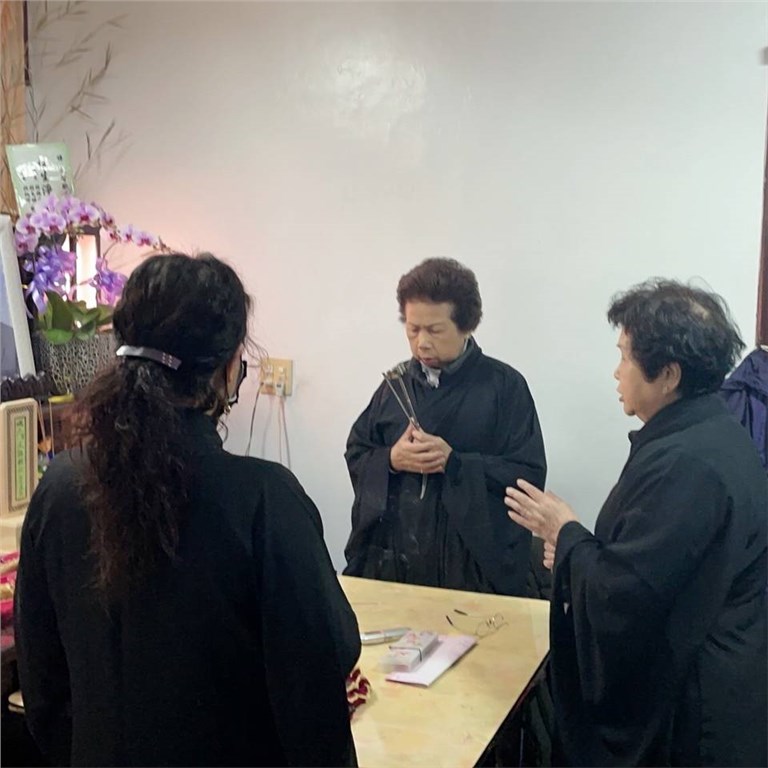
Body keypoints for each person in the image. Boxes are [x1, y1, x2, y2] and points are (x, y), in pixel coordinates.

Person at [15, 253, 360, 767]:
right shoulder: (264, 500)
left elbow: (41, 682)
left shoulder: (60, 487)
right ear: (228, 368)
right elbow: (321, 669)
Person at [506, 279, 767, 767]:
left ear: (667, 375)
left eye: (625, 356)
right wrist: (575, 550)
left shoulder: (688, 463)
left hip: (692, 711)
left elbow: (629, 597)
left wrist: (566, 535)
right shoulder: (706, 433)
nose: (617, 371)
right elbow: (655, 561)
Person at [343, 257, 546, 596]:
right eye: (413, 329)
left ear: (467, 326)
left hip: (471, 570)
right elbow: (357, 451)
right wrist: (391, 460)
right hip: (396, 563)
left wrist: (455, 464)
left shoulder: (504, 387)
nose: (421, 342)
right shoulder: (395, 386)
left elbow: (527, 475)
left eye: (434, 330)